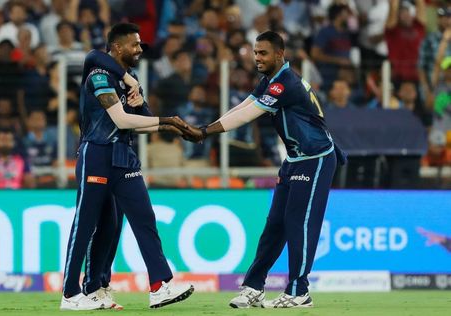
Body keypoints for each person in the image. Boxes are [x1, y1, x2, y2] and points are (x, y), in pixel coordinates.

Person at [180, 31, 346, 308]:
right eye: (255, 52)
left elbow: (249, 114)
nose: (257, 57)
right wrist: (204, 131)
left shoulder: (285, 84)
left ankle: (298, 292)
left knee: (299, 224)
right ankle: (253, 287)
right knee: (275, 225)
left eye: (263, 53)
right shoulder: (270, 81)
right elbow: (243, 106)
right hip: (294, 159)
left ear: (280, 55)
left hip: (316, 158)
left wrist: (205, 132)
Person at [60, 23, 194, 311]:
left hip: (124, 156)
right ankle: (71, 294)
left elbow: (141, 121)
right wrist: (166, 121)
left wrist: (142, 102)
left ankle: (159, 286)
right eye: (135, 44)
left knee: (141, 218)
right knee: (87, 225)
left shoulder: (130, 78)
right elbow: (121, 120)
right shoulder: (98, 75)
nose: (140, 49)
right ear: (118, 48)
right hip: (97, 154)